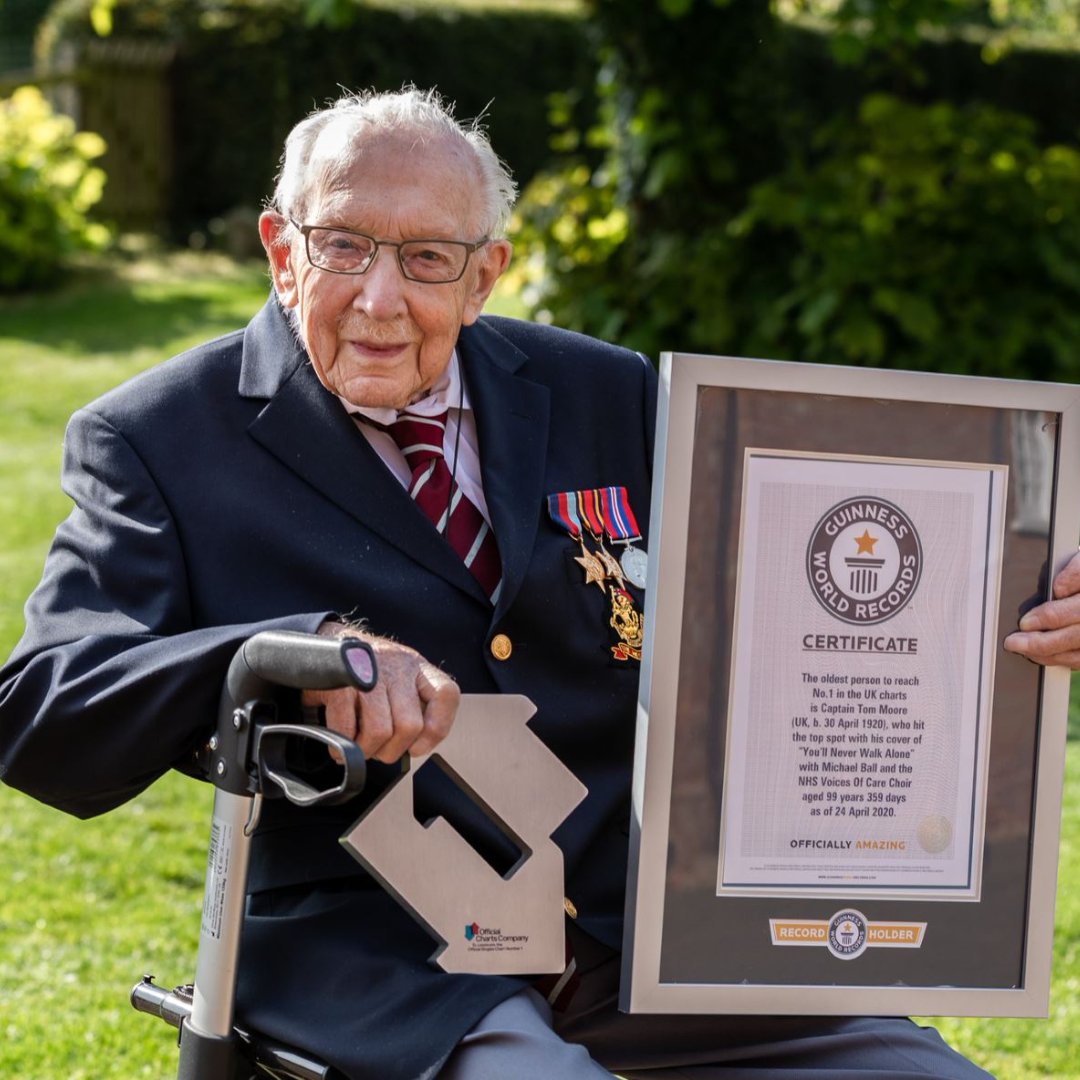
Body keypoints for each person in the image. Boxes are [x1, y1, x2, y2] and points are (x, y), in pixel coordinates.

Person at [0, 86, 1076, 1080]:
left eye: (427, 258)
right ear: (283, 250)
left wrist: (1018, 610)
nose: (379, 297)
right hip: (382, 957)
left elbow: (788, 614)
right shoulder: (157, 438)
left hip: (649, 933)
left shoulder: (605, 390)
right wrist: (293, 654)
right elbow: (43, 705)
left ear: (486, 275)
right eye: (343, 246)